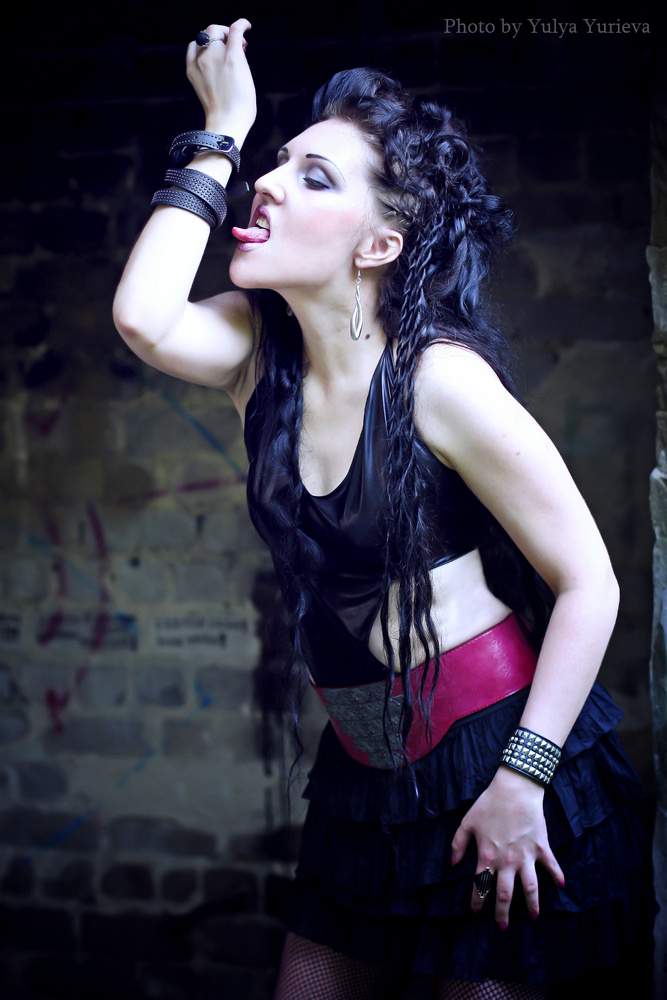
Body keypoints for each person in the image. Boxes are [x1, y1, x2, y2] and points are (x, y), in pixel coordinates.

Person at [113, 19, 655, 1000]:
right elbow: (144, 318)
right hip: (364, 778)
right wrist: (220, 131)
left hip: (502, 755)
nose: (267, 183)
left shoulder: (438, 378)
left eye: (314, 177)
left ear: (379, 243)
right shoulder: (257, 353)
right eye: (276, 162)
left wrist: (522, 779)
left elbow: (590, 582)